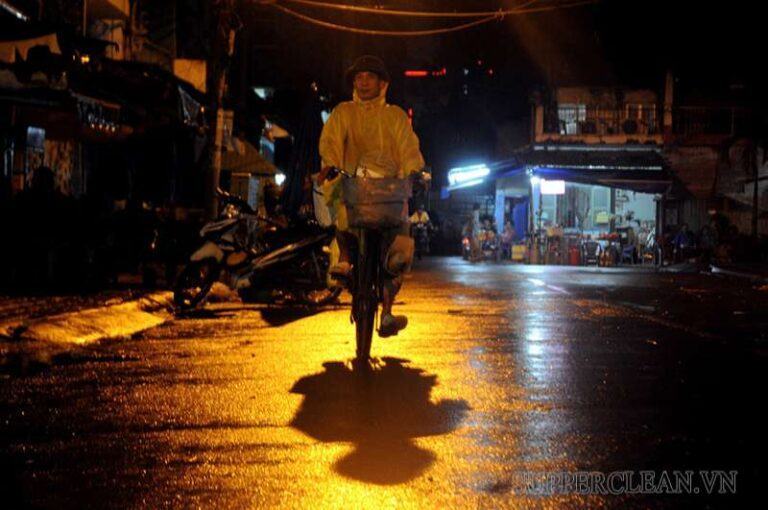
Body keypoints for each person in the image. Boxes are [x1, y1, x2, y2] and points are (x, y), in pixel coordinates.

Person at [317, 55, 425, 337]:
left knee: (399, 247)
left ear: (382, 83)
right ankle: (345, 261)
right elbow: (330, 141)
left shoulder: (395, 116)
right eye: (359, 78)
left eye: (369, 77)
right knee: (342, 217)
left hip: (389, 193)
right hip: (353, 189)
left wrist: (414, 171)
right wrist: (330, 165)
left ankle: (387, 311)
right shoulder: (343, 113)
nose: (363, 82)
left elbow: (408, 148)